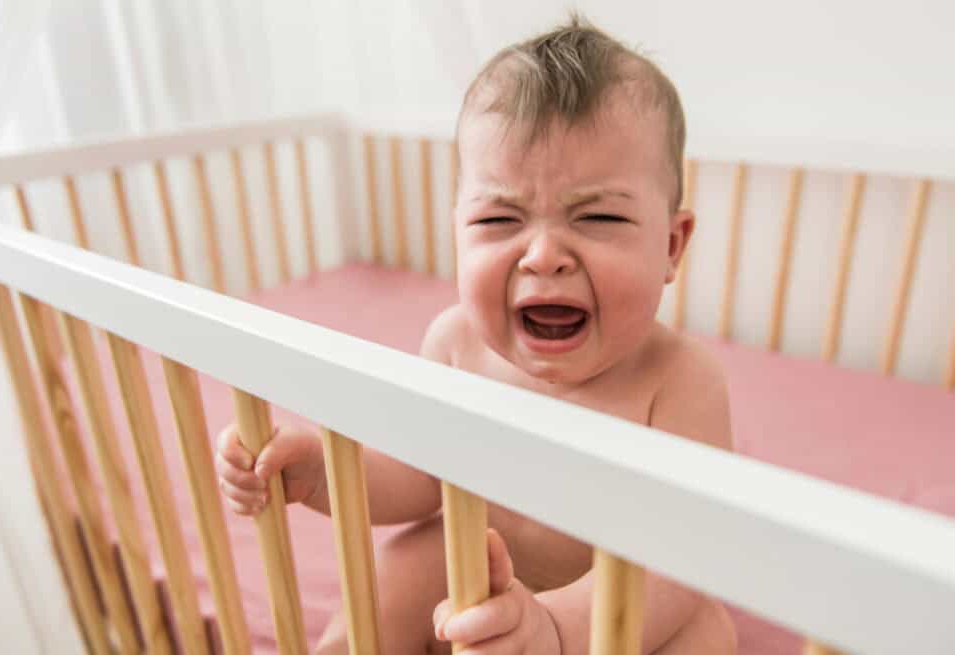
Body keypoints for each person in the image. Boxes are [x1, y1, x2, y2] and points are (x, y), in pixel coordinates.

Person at [216, 13, 737, 655]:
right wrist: (321, 474)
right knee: (398, 568)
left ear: (671, 244)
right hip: (476, 554)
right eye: (499, 218)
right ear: (457, 229)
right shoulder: (457, 346)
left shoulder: (681, 381)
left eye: (598, 216)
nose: (544, 255)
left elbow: (682, 556)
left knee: (706, 634)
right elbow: (414, 477)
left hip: (624, 605)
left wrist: (557, 629)